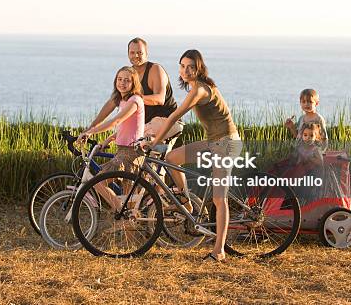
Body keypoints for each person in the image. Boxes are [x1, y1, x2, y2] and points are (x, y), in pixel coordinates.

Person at [143, 49, 242, 262]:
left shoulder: (199, 90)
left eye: (190, 67)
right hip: (213, 141)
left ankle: (219, 251)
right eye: (182, 66)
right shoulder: (197, 87)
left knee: (218, 198)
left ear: (199, 68)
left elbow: (173, 117)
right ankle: (187, 202)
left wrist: (155, 141)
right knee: (171, 159)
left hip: (226, 143)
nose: (186, 70)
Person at [77, 66, 145, 210]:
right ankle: (125, 214)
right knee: (130, 200)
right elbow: (128, 128)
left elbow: (116, 121)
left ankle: (121, 209)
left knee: (98, 182)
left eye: (127, 80)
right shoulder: (122, 100)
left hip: (131, 153)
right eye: (119, 79)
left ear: (134, 84)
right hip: (123, 151)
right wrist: (109, 139)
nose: (122, 83)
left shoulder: (135, 100)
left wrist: (91, 132)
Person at [88, 38, 179, 138]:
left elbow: (159, 99)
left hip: (167, 121)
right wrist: (91, 128)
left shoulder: (155, 69)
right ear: (128, 54)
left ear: (146, 53)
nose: (136, 56)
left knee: (143, 148)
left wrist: (134, 98)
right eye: (132, 52)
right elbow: (112, 102)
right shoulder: (129, 74)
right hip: (146, 126)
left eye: (140, 52)